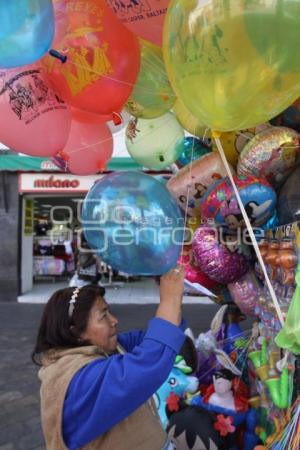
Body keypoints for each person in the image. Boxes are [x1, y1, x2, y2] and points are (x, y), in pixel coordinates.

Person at [32, 266, 186, 450]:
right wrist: (169, 300)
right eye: (103, 315)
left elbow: (152, 340)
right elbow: (149, 362)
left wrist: (173, 300)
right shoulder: (77, 381)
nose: (114, 320)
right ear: (76, 332)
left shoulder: (102, 348)